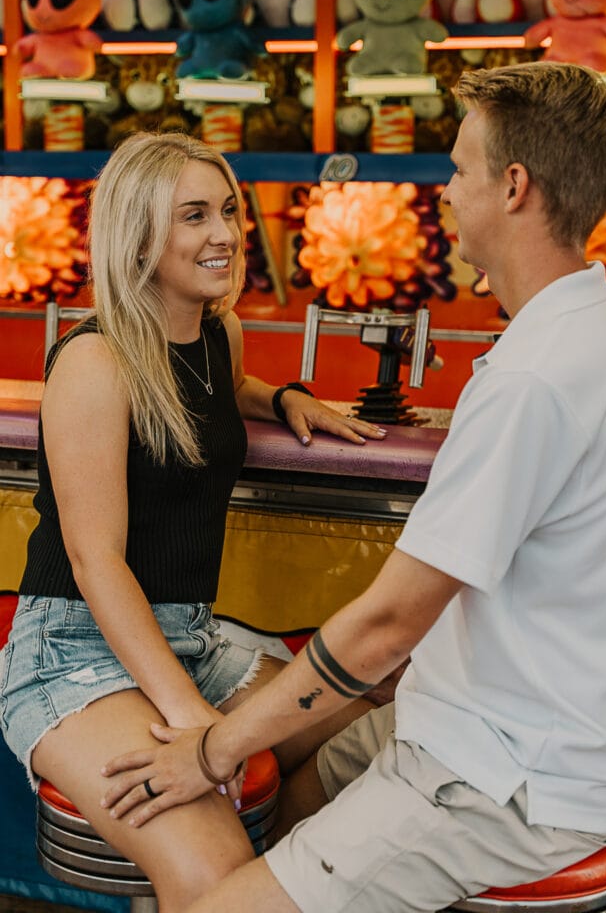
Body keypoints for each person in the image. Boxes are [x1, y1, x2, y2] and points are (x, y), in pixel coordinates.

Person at [99, 63, 606, 913]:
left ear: (512, 187)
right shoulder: (601, 328)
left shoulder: (533, 380)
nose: (443, 193)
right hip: (494, 724)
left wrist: (210, 750)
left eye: (457, 171)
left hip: (499, 778)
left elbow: (385, 627)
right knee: (295, 789)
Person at [0, 132, 388, 913]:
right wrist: (195, 724)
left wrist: (282, 399)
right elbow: (95, 561)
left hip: (188, 637)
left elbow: (224, 385)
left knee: (370, 732)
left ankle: (275, 868)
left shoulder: (218, 331)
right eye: (193, 216)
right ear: (138, 235)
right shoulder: (93, 362)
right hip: (75, 652)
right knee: (209, 873)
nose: (224, 234)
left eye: (228, 211)